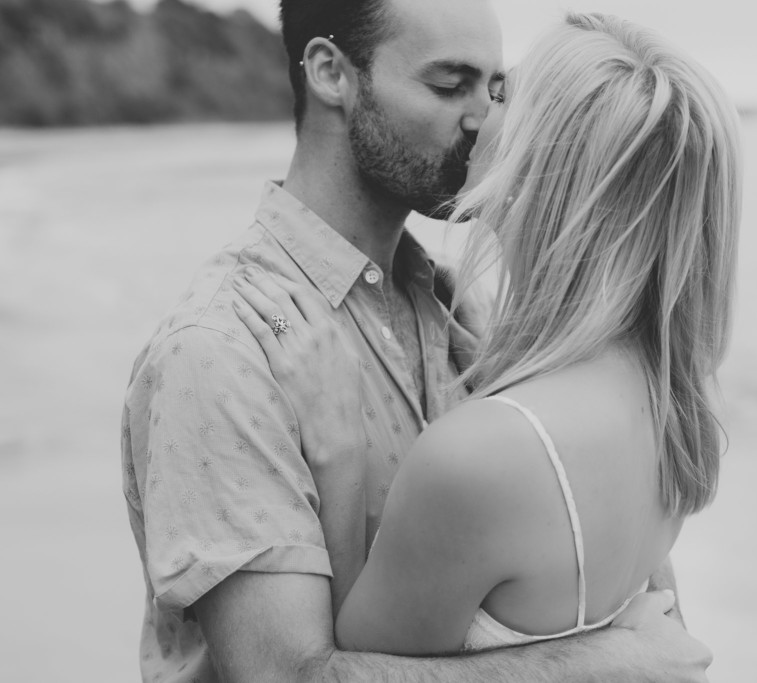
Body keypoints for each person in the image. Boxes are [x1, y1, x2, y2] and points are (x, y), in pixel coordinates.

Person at [120, 0, 712, 680]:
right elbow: (283, 675)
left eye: (493, 88)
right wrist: (607, 662)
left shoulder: (463, 309)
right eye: (447, 84)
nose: (479, 118)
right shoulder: (226, 349)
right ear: (331, 74)